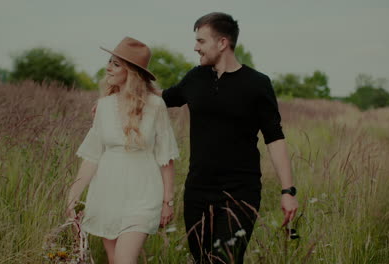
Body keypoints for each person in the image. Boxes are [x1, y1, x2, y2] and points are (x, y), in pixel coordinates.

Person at [158, 12, 299, 263]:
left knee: (224, 260)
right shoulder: (195, 78)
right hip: (197, 191)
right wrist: (112, 100)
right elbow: (159, 100)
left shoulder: (257, 84)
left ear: (222, 43)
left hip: (240, 193)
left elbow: (274, 138)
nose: (195, 47)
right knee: (202, 259)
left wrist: (288, 190)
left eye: (201, 41)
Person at [66, 37, 179, 264]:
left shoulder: (155, 106)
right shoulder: (103, 106)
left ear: (132, 71)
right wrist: (73, 194)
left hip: (144, 194)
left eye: (116, 64)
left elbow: (165, 158)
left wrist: (168, 202)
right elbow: (92, 156)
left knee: (124, 260)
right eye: (110, 62)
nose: (108, 67)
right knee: (114, 259)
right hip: (107, 193)